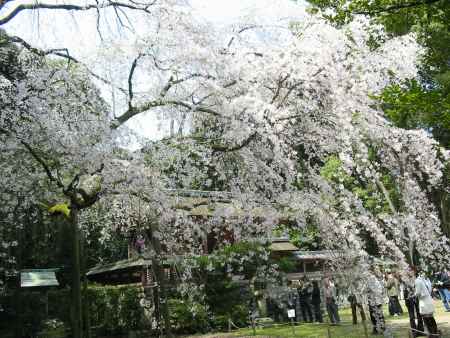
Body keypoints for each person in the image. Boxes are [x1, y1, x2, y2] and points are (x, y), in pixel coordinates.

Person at [415, 267, 439, 338]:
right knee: (431, 318)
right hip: (429, 300)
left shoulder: (418, 281)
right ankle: (435, 332)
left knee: (426, 319)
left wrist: (414, 295)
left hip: (424, 302)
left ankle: (431, 334)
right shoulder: (427, 280)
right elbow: (429, 290)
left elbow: (418, 292)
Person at [402, 267, 425, 337]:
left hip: (417, 298)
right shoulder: (405, 279)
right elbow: (404, 290)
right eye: (408, 270)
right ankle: (414, 332)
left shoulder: (418, 279)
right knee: (411, 316)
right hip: (409, 298)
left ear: (414, 271)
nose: (410, 272)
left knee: (419, 314)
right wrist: (406, 298)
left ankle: (420, 330)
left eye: (411, 270)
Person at [367, 267, 386, 335]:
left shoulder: (372, 278)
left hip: (375, 300)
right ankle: (379, 329)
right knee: (376, 315)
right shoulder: (373, 278)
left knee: (377, 315)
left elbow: (370, 288)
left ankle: (380, 329)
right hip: (374, 300)